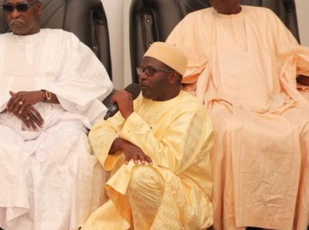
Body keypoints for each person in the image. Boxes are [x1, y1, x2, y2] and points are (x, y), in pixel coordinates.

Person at [166, 0, 309, 229]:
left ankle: (296, 217)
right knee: (228, 131)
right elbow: (169, 63)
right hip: (221, 103)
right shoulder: (193, 22)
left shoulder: (265, 18)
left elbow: (293, 57)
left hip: (274, 100)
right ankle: (234, 219)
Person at [0, 0, 113, 230]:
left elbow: (94, 82)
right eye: (8, 8)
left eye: (22, 7)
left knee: (71, 149)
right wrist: (11, 102)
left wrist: (43, 94)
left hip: (58, 120)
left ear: (38, 8)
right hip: (1, 123)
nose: (14, 14)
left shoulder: (65, 41)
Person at [82, 42, 214, 230]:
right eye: (141, 70)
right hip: (130, 195)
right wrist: (122, 145)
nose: (142, 76)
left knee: (140, 174)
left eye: (150, 71)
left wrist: (130, 116)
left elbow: (169, 161)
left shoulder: (191, 111)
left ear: (172, 77)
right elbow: (100, 129)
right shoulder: (140, 99)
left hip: (182, 197)